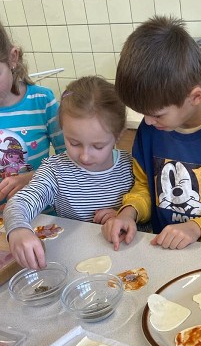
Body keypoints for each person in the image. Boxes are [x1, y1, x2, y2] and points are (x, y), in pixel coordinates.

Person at [102, 15, 201, 251]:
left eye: (157, 114)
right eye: (142, 113)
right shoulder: (151, 130)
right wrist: (129, 212)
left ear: (195, 97)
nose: (147, 121)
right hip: (165, 252)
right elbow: (144, 187)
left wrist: (196, 228)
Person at [4, 76, 134, 269]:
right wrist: (18, 230)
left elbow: (147, 213)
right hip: (76, 263)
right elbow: (18, 204)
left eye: (98, 146)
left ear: (118, 134)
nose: (85, 156)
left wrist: (124, 216)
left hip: (128, 261)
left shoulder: (130, 167)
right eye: (74, 143)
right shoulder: (54, 171)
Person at [0, 22, 64, 204]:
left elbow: (70, 161)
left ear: (13, 58)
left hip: (40, 216)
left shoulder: (41, 101)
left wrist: (31, 177)